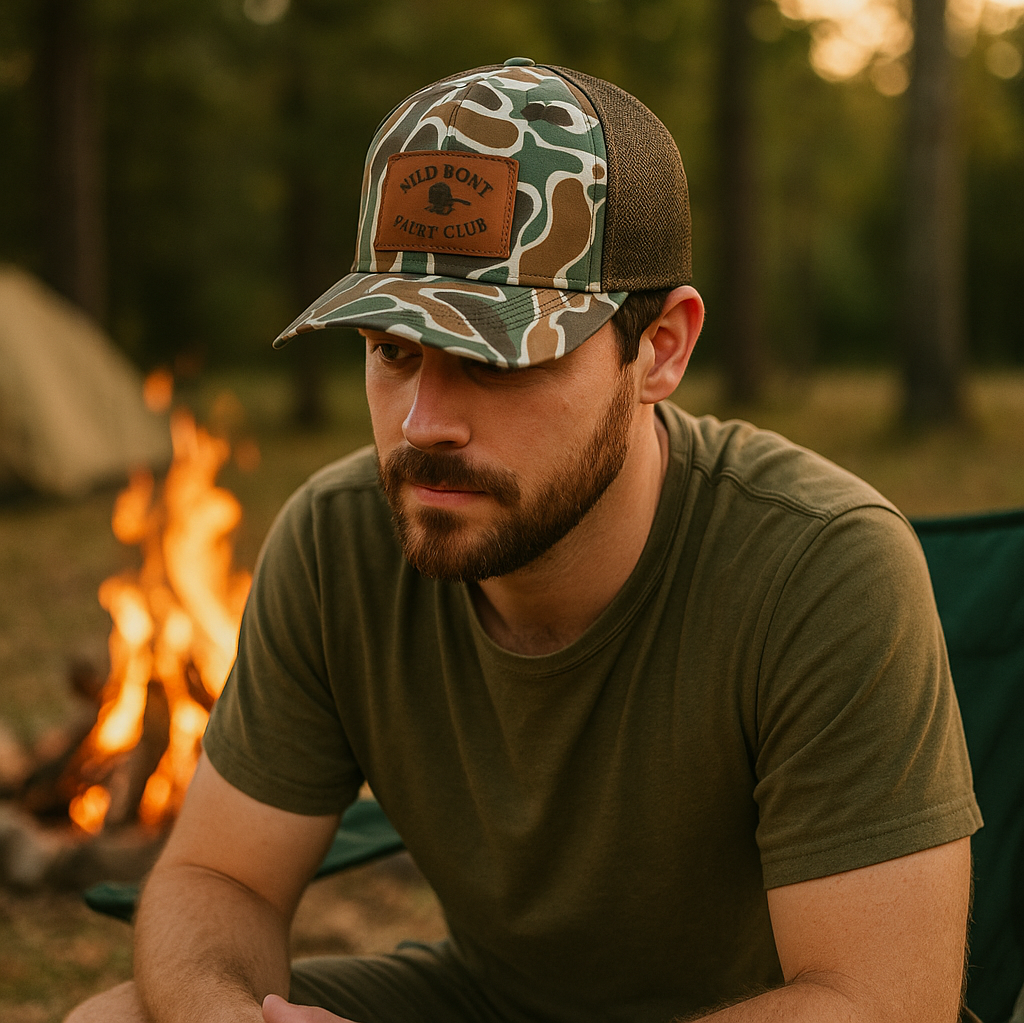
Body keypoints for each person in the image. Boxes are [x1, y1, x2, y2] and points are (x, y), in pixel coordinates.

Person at [68, 59, 982, 1023]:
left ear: (661, 347)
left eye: (497, 358)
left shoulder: (822, 567)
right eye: (393, 350)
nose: (423, 424)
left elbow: (880, 1001)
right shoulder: (340, 540)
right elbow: (220, 876)